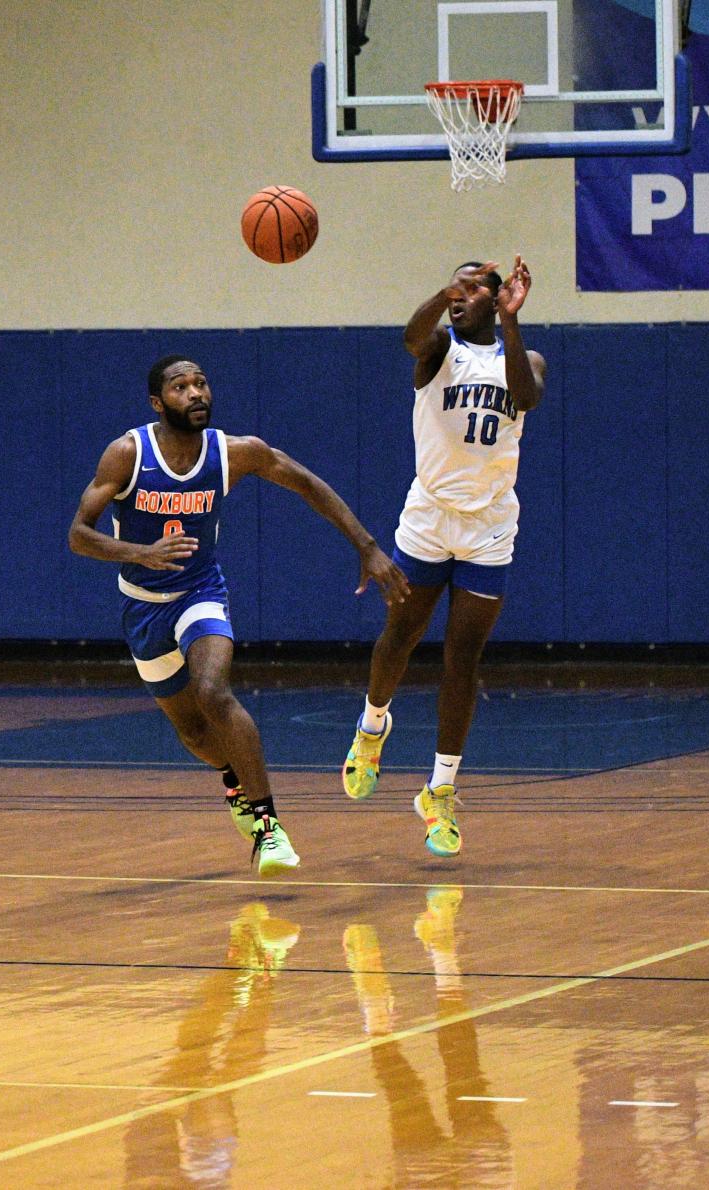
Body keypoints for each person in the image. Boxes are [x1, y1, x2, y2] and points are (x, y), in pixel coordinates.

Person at [69, 354, 409, 877]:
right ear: (158, 403)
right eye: (181, 387)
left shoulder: (233, 452)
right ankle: (234, 780)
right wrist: (140, 553)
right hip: (142, 603)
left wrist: (366, 546)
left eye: (201, 383)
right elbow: (79, 535)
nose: (196, 393)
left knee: (212, 692)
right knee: (194, 735)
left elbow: (307, 484)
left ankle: (269, 828)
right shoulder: (127, 454)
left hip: (201, 593)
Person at [342, 255, 546, 857]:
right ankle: (373, 725)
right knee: (401, 636)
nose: (461, 294)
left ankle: (439, 790)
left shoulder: (524, 357)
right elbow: (412, 336)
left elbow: (526, 398)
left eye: (473, 286)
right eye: (454, 285)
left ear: (496, 295)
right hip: (428, 517)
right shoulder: (438, 349)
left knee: (463, 659)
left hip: (488, 525)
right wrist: (443, 291)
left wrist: (510, 321)